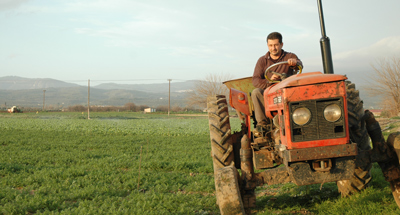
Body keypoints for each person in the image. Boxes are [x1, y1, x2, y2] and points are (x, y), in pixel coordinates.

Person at [251, 32, 303, 132]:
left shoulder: (290, 56)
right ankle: (263, 125)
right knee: (256, 92)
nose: (273, 48)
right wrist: (269, 81)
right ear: (267, 45)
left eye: (276, 45)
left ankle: (298, 117)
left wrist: (295, 63)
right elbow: (255, 80)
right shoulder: (262, 61)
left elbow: (299, 64)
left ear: (281, 44)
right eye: (270, 45)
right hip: (269, 91)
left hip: (286, 90)